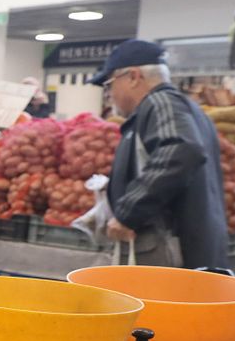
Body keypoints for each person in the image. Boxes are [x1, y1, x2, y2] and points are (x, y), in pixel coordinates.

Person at [89, 39, 227, 268]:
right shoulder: (178, 108)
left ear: (133, 77)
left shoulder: (161, 103)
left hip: (171, 252)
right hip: (182, 252)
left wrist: (128, 213)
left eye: (109, 84)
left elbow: (181, 149)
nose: (110, 94)